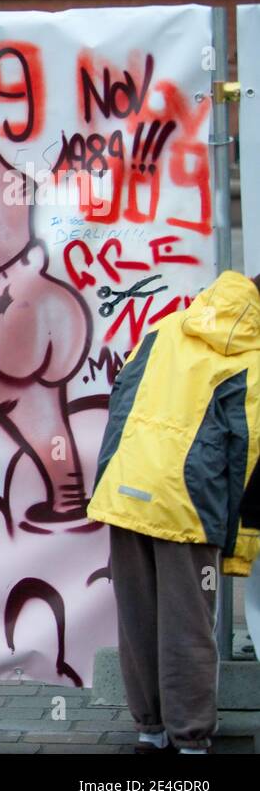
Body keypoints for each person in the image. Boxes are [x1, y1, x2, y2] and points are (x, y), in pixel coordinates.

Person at [88, 269, 260, 753]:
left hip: (127, 490)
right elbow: (247, 452)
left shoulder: (165, 327)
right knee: (188, 625)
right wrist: (239, 546)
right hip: (189, 504)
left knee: (138, 620)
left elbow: (120, 401)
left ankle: (150, 729)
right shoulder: (252, 357)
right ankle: (190, 739)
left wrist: (110, 482)